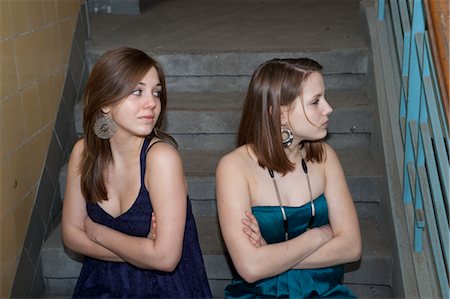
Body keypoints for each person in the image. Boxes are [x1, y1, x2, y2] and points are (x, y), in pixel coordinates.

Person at [61, 47, 212, 298]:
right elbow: (72, 236)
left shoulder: (161, 159)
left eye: (156, 92)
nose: (152, 103)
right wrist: (144, 253)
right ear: (106, 102)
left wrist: (99, 233)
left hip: (164, 289)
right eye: (137, 91)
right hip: (100, 285)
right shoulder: (84, 151)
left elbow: (165, 259)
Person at [216, 58, 362, 298]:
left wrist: (271, 256)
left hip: (325, 291)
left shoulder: (325, 156)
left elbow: (352, 247)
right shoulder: (234, 168)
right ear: (280, 114)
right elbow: (251, 268)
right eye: (316, 101)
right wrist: (320, 234)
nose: (328, 108)